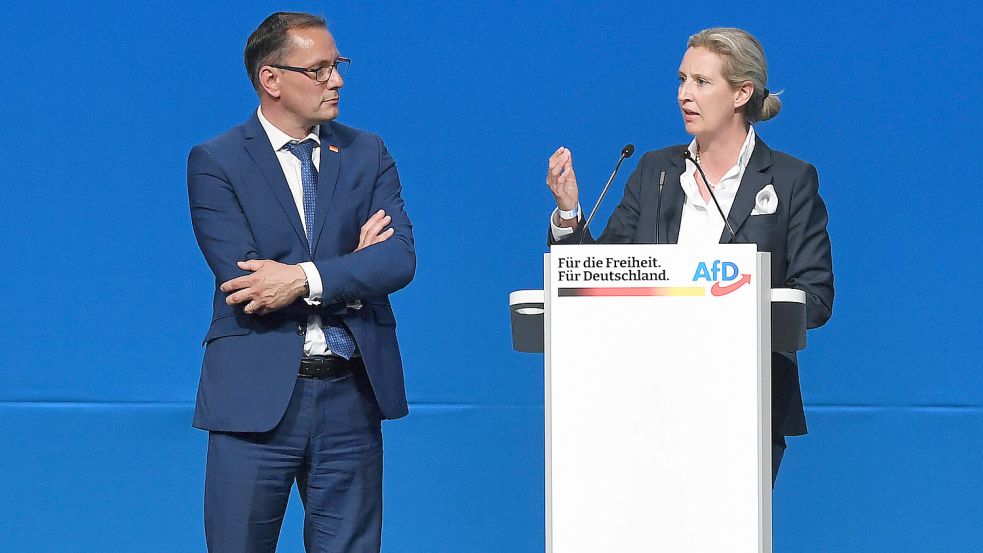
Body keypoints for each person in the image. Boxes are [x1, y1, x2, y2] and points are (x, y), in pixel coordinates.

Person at [545, 27, 833, 484]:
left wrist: (733, 302)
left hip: (745, 402)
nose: (684, 94)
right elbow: (599, 276)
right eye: (681, 80)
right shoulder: (655, 171)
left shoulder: (790, 180)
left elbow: (813, 297)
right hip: (645, 397)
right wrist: (568, 213)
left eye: (701, 82)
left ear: (742, 92)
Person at [187, 12, 415, 552]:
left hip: (351, 397)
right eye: (319, 70)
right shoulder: (216, 161)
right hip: (254, 401)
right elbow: (249, 284)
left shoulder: (367, 153)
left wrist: (305, 276)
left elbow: (398, 259)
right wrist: (350, 269)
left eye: (338, 66)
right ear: (271, 80)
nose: (337, 80)